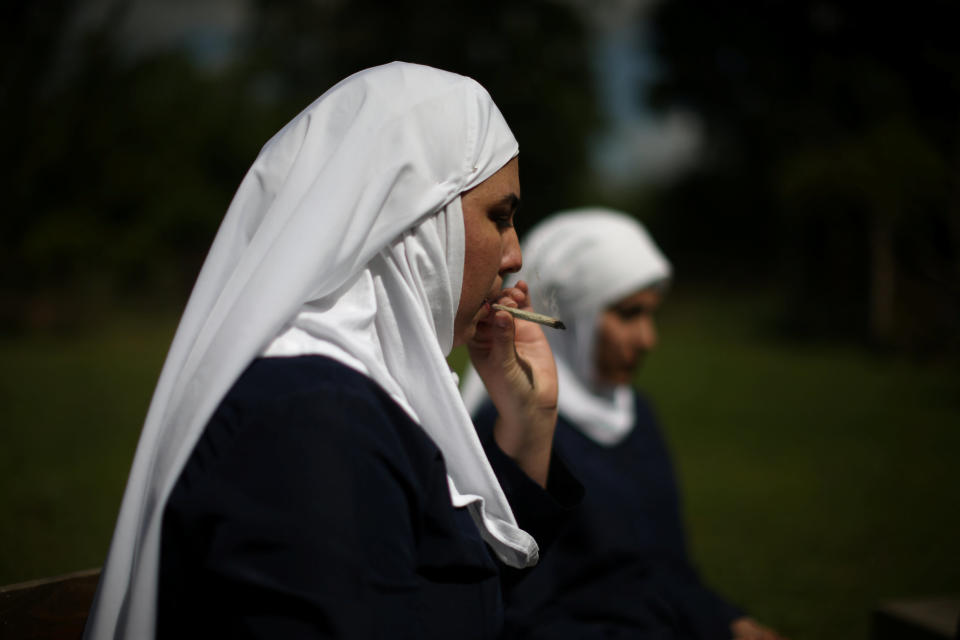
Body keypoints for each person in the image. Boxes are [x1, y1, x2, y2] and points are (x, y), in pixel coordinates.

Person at [83, 62, 580, 640]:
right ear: (412, 215)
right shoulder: (309, 418)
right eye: (499, 216)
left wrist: (530, 422)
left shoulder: (361, 387)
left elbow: (446, 596)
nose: (514, 255)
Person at [462, 208, 785, 640]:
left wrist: (727, 619)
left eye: (652, 315)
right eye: (629, 314)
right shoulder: (514, 429)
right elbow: (519, 610)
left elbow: (665, 568)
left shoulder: (636, 414)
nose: (648, 340)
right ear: (574, 315)